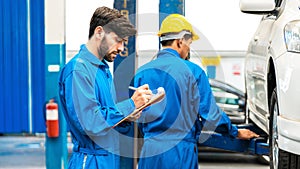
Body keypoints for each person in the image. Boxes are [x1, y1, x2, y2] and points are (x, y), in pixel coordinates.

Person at [134, 14, 259, 169]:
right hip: (180, 151)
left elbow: (137, 114)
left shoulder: (141, 73)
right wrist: (234, 131)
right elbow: (210, 114)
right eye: (189, 44)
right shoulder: (193, 72)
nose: (188, 50)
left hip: (150, 151)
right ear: (180, 41)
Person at [58, 6, 152, 169]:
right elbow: (91, 123)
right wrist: (130, 105)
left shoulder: (102, 70)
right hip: (91, 161)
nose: (121, 48)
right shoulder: (78, 70)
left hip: (108, 159)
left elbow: (106, 114)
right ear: (99, 32)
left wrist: (128, 115)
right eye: (118, 40)